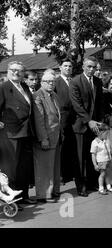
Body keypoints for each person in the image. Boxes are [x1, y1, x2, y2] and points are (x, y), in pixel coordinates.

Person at [0, 61, 37, 206]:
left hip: (26, 131)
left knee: (24, 166)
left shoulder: (25, 86)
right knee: (11, 168)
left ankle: (23, 195)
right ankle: (12, 199)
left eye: (19, 71)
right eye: (13, 70)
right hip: (11, 133)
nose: (16, 72)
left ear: (23, 73)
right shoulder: (4, 87)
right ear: (7, 71)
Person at [70, 56, 105, 197]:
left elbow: (100, 103)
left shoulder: (97, 81)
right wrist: (88, 121)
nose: (91, 69)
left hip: (95, 125)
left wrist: (100, 121)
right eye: (89, 66)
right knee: (81, 157)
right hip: (81, 126)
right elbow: (76, 104)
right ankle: (81, 185)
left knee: (93, 155)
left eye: (94, 67)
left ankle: (92, 182)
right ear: (83, 66)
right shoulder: (75, 81)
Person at [33, 69, 62, 203]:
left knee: (54, 166)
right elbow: (39, 120)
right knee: (44, 167)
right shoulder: (38, 96)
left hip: (56, 136)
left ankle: (54, 190)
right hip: (45, 137)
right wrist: (43, 138)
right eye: (48, 81)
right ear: (41, 82)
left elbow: (57, 116)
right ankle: (44, 194)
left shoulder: (54, 95)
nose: (51, 84)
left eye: (53, 81)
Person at [54, 58, 75, 186]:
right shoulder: (56, 82)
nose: (68, 68)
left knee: (71, 146)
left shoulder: (74, 81)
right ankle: (61, 175)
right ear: (60, 68)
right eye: (65, 66)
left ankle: (70, 173)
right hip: (62, 118)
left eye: (70, 66)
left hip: (74, 118)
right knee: (62, 146)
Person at [90, 123, 112, 195]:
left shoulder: (107, 140)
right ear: (100, 133)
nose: (107, 135)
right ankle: (101, 188)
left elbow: (110, 148)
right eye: (106, 133)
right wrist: (95, 164)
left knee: (107, 174)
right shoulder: (95, 142)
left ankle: (108, 186)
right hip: (101, 161)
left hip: (108, 160)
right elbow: (93, 154)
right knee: (102, 174)